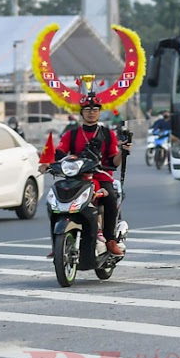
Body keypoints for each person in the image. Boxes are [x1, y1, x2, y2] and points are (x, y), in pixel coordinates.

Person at [53, 94, 130, 258]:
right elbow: (58, 154)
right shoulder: (71, 134)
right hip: (76, 179)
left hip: (101, 177)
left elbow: (114, 162)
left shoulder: (107, 134)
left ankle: (110, 240)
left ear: (99, 112)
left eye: (95, 109)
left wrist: (123, 151)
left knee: (109, 198)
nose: (91, 112)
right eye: (87, 109)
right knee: (55, 201)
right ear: (81, 112)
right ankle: (57, 243)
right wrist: (48, 163)